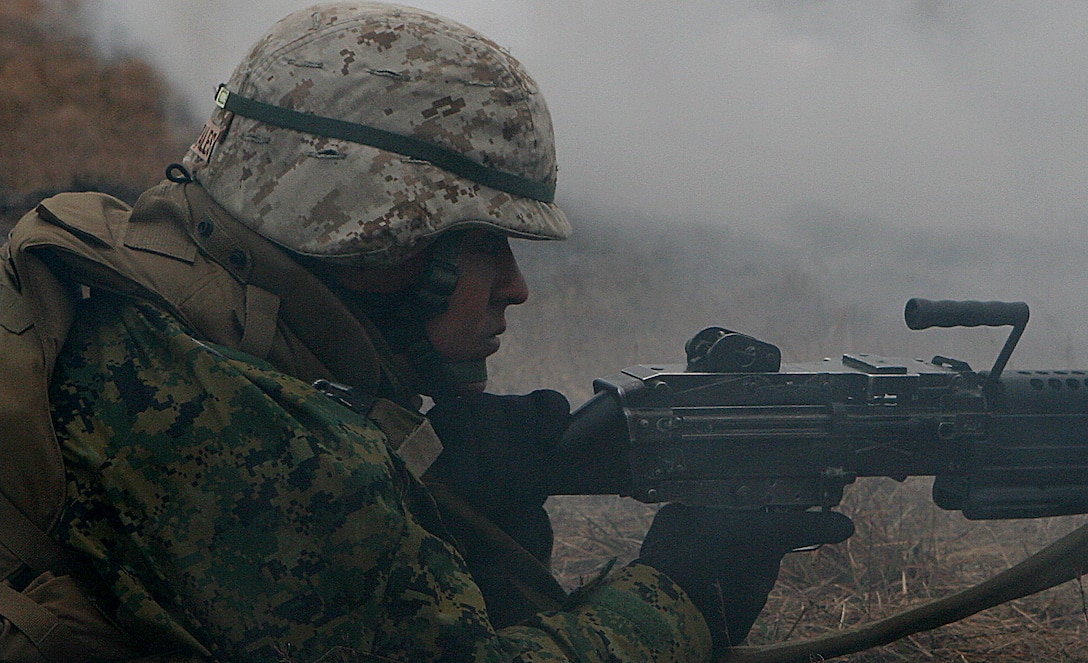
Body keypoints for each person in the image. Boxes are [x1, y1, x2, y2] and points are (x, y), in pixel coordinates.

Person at [0, 3, 851, 661]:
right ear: (372, 232)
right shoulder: (228, 415)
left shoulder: (155, 283)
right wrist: (679, 592)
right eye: (484, 244)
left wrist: (450, 468)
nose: (514, 287)